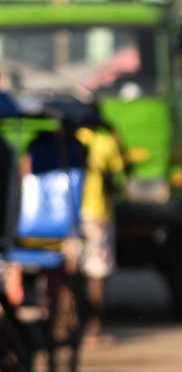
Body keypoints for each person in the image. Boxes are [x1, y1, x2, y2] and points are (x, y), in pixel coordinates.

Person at [74, 111, 127, 343]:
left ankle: (64, 325)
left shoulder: (74, 138)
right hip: (97, 213)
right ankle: (94, 329)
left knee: (69, 270)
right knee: (97, 272)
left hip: (70, 213)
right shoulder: (106, 141)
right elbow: (121, 172)